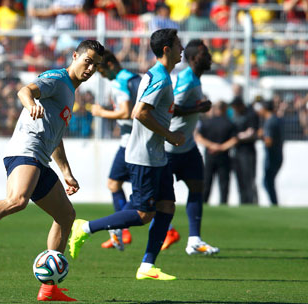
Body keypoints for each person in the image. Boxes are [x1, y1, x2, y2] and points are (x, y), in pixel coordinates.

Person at [0, 40, 104, 302]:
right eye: (88, 61)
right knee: (17, 201)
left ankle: (49, 289)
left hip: (40, 157)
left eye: (96, 65)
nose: (91, 68)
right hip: (25, 150)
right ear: (75, 56)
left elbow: (55, 137)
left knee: (66, 215)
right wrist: (30, 104)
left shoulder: (70, 92)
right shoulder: (58, 78)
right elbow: (25, 91)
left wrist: (66, 171)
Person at [69, 29, 185, 281]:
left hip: (156, 154)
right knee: (144, 215)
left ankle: (147, 266)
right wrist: (170, 135)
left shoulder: (159, 75)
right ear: (166, 49)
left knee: (166, 207)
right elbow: (139, 112)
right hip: (144, 155)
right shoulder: (159, 78)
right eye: (178, 45)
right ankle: (85, 227)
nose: (182, 49)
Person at [162, 39, 219, 255]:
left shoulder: (194, 78)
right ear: (195, 58)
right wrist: (198, 107)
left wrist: (197, 107)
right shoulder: (187, 78)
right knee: (154, 201)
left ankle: (194, 240)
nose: (210, 56)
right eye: (206, 53)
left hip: (187, 147)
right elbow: (170, 108)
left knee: (197, 189)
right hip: (169, 149)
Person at [91, 49, 141, 249]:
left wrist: (101, 112)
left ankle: (121, 228)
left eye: (102, 71)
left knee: (127, 188)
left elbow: (126, 112)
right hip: (139, 138)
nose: (101, 75)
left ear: (110, 65)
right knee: (120, 185)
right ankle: (122, 229)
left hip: (130, 141)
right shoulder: (135, 78)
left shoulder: (119, 81)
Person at [195, 101, 238, 205]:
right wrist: (221, 147)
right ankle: (223, 204)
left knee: (207, 182)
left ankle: (204, 204)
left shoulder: (207, 122)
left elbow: (198, 137)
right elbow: (234, 140)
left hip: (210, 155)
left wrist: (211, 146)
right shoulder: (230, 123)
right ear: (225, 109)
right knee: (224, 183)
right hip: (223, 156)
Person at [230, 96, 259, 204]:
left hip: (247, 151)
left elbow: (251, 132)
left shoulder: (250, 115)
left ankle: (251, 201)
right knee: (239, 178)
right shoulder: (235, 116)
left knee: (248, 178)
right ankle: (243, 201)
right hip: (237, 151)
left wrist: (237, 137)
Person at [256, 100, 284, 206]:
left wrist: (260, 136)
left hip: (272, 157)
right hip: (277, 156)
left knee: (267, 182)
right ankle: (274, 203)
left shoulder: (270, 121)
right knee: (268, 182)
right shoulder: (275, 120)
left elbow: (269, 141)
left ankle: (274, 204)